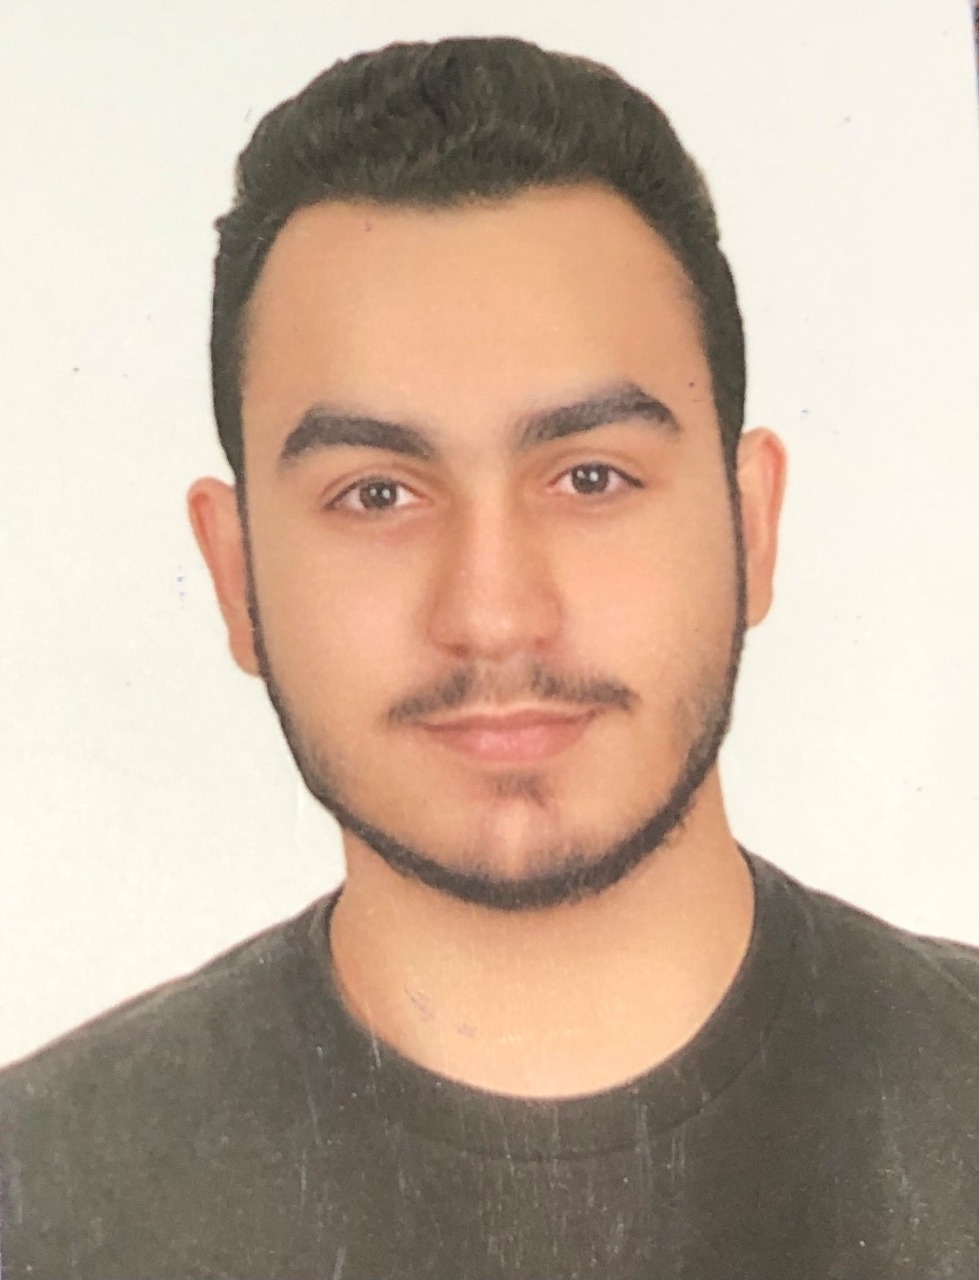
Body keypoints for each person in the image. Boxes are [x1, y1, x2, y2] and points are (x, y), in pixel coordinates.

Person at [1, 34, 977, 1280]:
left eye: (589, 477)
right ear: (236, 574)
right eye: (376, 494)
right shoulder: (39, 1200)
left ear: (752, 524)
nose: (494, 613)